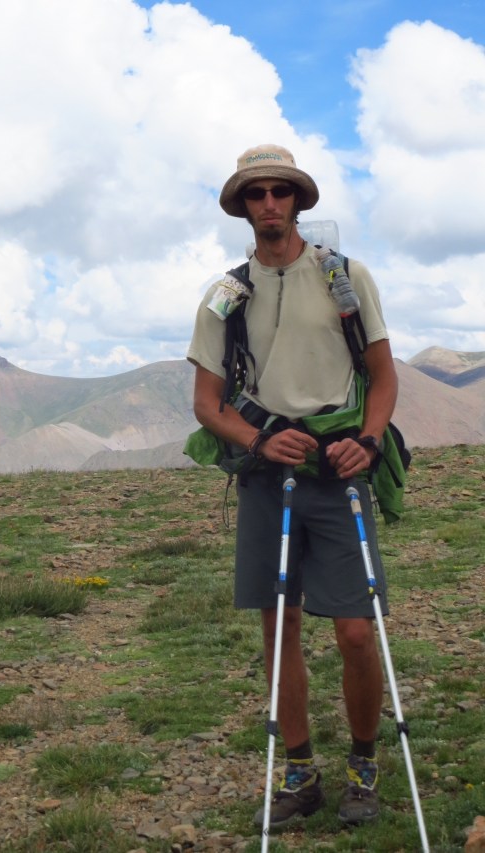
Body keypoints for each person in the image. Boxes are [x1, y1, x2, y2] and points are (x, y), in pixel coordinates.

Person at [187, 144, 398, 829]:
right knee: (279, 631)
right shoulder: (225, 295)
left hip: (339, 471)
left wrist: (369, 442)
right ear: (242, 207)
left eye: (281, 191)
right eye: (257, 193)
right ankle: (300, 774)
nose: (270, 203)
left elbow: (383, 376)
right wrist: (257, 441)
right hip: (265, 478)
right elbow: (207, 403)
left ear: (299, 200)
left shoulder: (345, 277)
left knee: (355, 632)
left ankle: (363, 765)